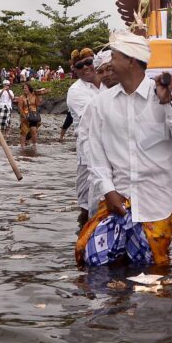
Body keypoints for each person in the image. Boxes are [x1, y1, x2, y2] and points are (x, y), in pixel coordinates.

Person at [78, 32, 172, 267]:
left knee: (154, 272)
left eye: (114, 57)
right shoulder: (101, 104)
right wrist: (108, 190)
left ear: (131, 60)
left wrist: (168, 104)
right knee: (91, 260)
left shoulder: (168, 96)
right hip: (117, 200)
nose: (109, 63)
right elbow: (94, 152)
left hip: (157, 205)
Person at [66, 47, 102, 226]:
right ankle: (82, 240)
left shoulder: (108, 82)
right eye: (80, 65)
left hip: (112, 152)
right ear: (75, 69)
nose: (86, 67)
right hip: (88, 155)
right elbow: (96, 116)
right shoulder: (76, 91)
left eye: (89, 62)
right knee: (87, 206)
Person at [16, 82, 47, 148]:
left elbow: (38, 104)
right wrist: (24, 116)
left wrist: (39, 96)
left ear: (29, 89)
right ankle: (22, 147)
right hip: (25, 116)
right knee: (24, 132)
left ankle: (34, 145)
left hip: (33, 115)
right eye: (23, 88)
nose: (24, 90)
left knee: (34, 131)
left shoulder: (34, 96)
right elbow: (20, 108)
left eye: (26, 88)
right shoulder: (21, 97)